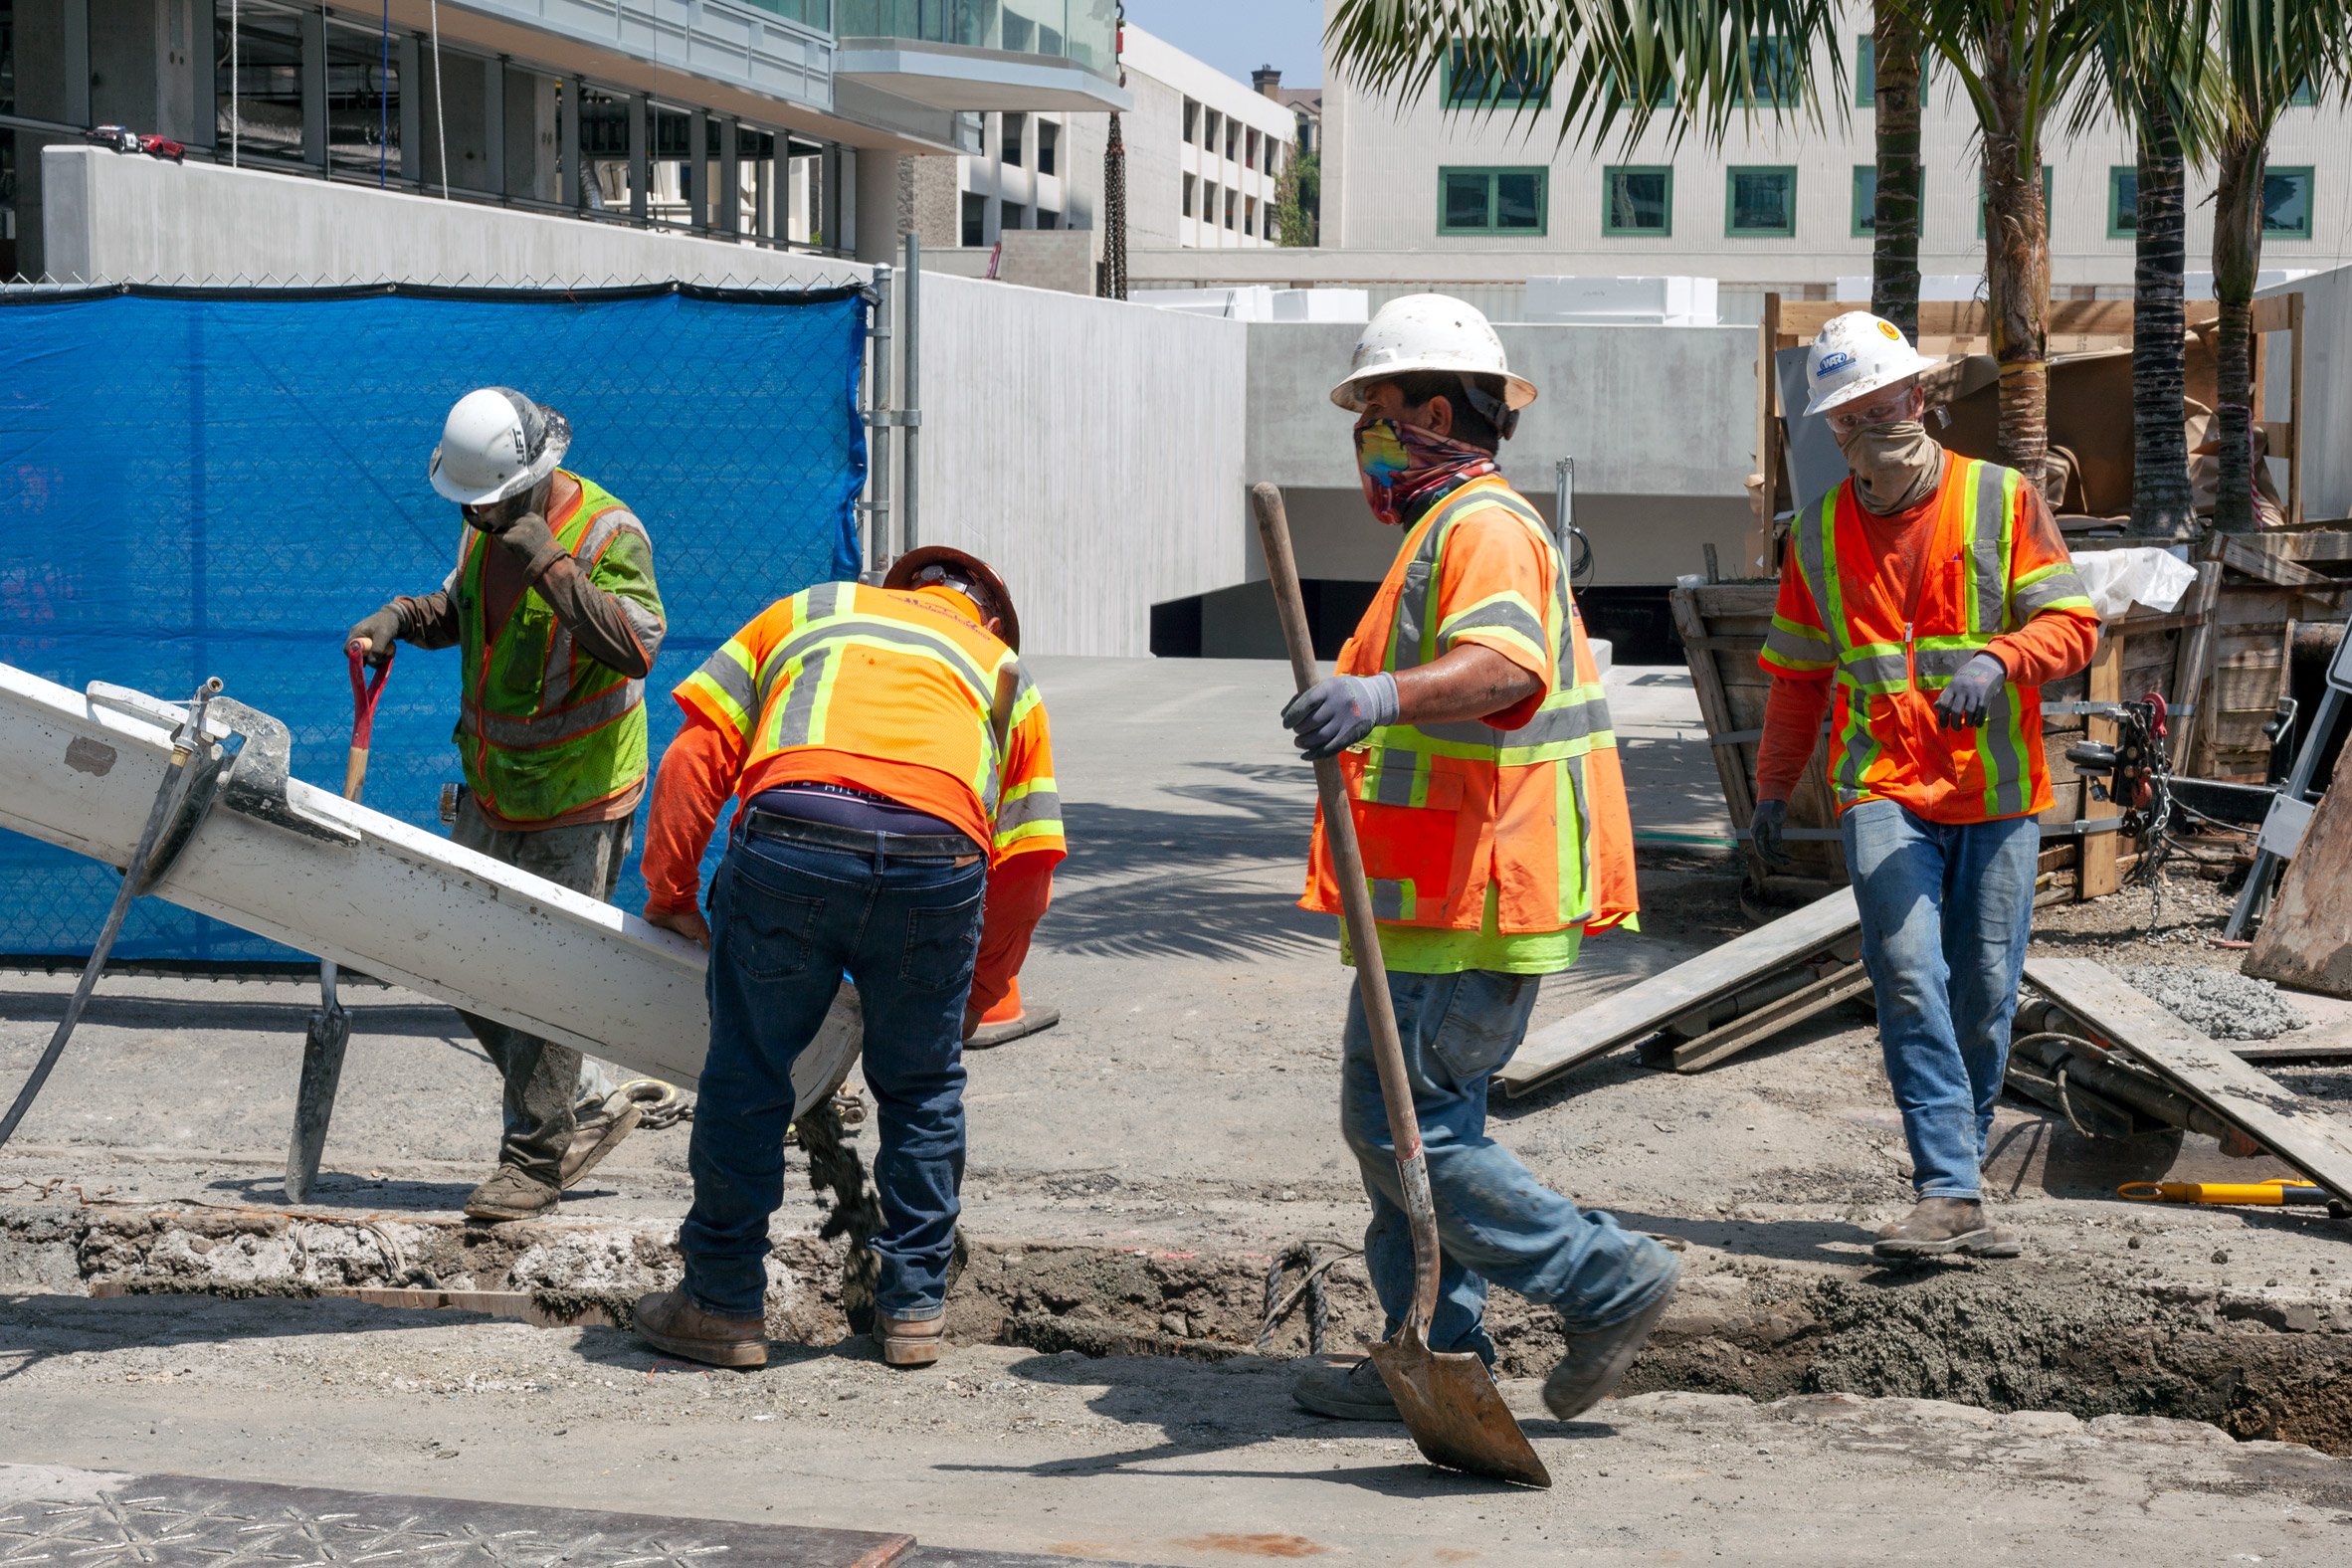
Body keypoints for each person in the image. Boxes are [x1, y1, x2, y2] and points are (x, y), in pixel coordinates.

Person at [1280, 294, 1678, 1425]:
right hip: (1435, 897)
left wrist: (1376, 694)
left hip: (1472, 896)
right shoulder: (1443, 531)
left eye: (1378, 411)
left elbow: (1502, 668)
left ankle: (1604, 1277)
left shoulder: (1481, 528)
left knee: (1409, 1130)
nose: (1365, 434)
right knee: (1396, 1130)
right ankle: (1433, 1353)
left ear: (1436, 412)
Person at [628, 546, 1064, 1371]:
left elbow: (695, 756)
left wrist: (673, 893)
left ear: (895, 591)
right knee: (924, 1088)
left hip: (792, 844)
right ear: (992, 618)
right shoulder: (1006, 673)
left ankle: (721, 1304)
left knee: (748, 1077)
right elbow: (1029, 861)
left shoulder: (810, 609)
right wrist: (981, 990)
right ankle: (912, 1312)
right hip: (939, 865)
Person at [1753, 311, 2098, 1260]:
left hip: (1997, 796)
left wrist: (2000, 658)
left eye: (1883, 402)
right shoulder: (1817, 532)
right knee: (1909, 977)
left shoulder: (2000, 500)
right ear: (1830, 430)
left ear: (1920, 397)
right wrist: (1774, 790)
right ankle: (1945, 1184)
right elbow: (1797, 679)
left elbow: (2074, 626)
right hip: (1882, 789)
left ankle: (1964, 1182)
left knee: (1985, 993)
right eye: (1848, 413)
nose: (1869, 424)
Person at [345, 388, 668, 1222]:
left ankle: (532, 1158)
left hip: (580, 793)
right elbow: (468, 610)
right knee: (458, 958)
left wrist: (550, 561)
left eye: (492, 501)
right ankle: (585, 1101)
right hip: (496, 785)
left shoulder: (606, 533)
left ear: (535, 476)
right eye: (469, 503)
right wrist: (401, 618)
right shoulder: (487, 524)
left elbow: (636, 648)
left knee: (551, 978)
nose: (480, 515)